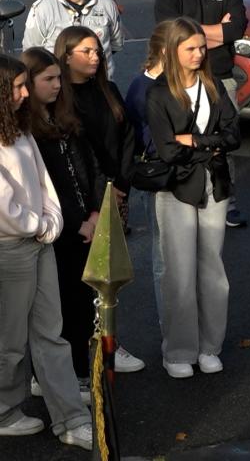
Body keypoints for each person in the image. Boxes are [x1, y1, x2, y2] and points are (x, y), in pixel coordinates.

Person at [0, 54, 93, 450]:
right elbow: (3, 203)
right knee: (11, 341)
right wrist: (40, 225)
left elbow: (42, 181)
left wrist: (50, 220)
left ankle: (71, 418)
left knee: (50, 334)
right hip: (11, 251)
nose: (25, 94)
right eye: (17, 87)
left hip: (38, 244)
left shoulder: (20, 129)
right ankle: (4, 411)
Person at [146, 17, 240, 378]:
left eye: (202, 47)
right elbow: (168, 151)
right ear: (171, 51)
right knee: (179, 273)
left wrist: (198, 142)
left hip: (214, 186)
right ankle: (179, 350)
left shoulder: (213, 84)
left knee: (213, 269)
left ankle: (209, 347)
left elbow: (233, 136)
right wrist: (211, 147)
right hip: (177, 191)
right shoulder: (158, 93)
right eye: (191, 48)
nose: (200, 54)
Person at [53, 27, 145, 372]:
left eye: (97, 51)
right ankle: (77, 352)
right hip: (85, 199)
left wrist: (121, 183)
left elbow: (127, 137)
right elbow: (78, 153)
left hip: (115, 192)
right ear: (66, 55)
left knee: (109, 275)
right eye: (87, 51)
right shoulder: (61, 98)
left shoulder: (108, 89)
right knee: (78, 280)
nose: (95, 57)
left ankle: (109, 343)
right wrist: (101, 189)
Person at [23, 47, 106, 395]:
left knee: (84, 302)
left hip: (84, 223)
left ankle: (78, 372)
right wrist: (78, 222)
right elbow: (46, 189)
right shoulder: (28, 132)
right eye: (49, 79)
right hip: (58, 232)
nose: (58, 85)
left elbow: (90, 167)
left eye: (59, 78)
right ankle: (58, 377)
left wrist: (96, 211)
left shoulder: (66, 119)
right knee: (61, 307)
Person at [154, 0, 248, 228]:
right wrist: (215, 31)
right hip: (180, 80)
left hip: (220, 75)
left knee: (223, 141)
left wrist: (192, 29)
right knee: (185, 140)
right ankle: (186, 194)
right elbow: (170, 34)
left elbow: (237, 28)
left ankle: (228, 199)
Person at [125, 21, 173, 323]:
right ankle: (170, 321)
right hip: (159, 179)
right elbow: (134, 135)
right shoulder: (142, 87)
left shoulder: (182, 81)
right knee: (166, 259)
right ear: (167, 51)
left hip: (184, 176)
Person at [22, 0, 124, 76]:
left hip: (99, 88)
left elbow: (115, 44)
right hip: (61, 89)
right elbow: (31, 54)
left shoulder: (107, 3)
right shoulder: (43, 9)